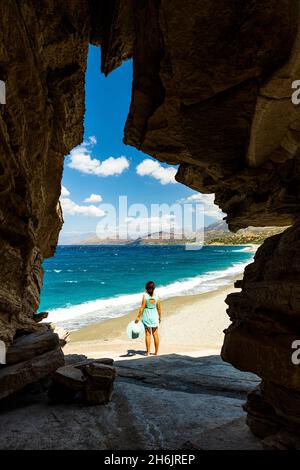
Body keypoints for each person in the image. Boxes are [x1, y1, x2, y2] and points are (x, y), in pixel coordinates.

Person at [135, 281, 161, 356]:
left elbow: (142, 307)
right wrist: (160, 317)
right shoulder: (157, 297)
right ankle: (156, 352)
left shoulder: (145, 296)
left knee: (148, 335)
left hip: (146, 316)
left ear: (146, 288)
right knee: (155, 334)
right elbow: (159, 308)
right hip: (154, 316)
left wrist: (138, 317)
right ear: (154, 288)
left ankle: (148, 352)